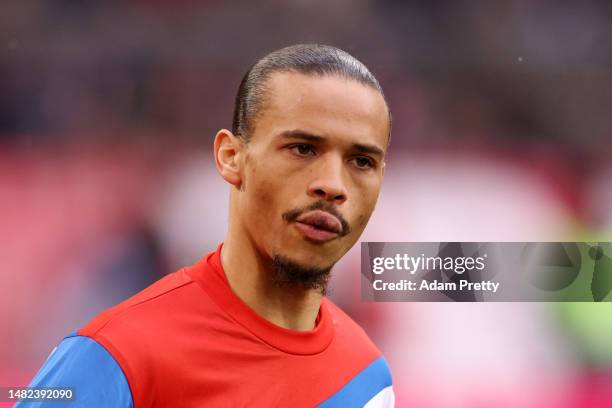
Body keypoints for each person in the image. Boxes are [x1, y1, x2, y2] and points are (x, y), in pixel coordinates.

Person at [20, 44, 394, 407]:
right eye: (302, 149)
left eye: (361, 161)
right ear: (231, 157)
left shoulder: (368, 377)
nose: (332, 184)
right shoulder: (117, 355)